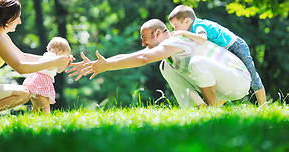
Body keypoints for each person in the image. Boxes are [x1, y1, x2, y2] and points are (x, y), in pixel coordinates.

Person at [67, 19, 252, 108]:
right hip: (222, 82)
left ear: (157, 33)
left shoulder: (175, 40)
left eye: (145, 37)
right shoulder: (167, 50)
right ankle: (197, 110)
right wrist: (103, 63)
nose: (142, 43)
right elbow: (136, 54)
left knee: (196, 63)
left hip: (238, 80)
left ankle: (212, 110)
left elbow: (143, 59)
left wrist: (106, 66)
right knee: (166, 66)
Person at [168, 5, 266, 106]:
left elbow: (202, 39)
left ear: (186, 21)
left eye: (176, 26)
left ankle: (264, 106)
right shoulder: (192, 29)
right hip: (224, 52)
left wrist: (183, 33)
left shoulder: (198, 25)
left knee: (253, 77)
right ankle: (214, 106)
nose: (176, 30)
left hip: (235, 46)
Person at [23, 37, 72, 114]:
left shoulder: (47, 56)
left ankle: (34, 117)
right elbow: (50, 68)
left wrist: (65, 63)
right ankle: (47, 118)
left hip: (35, 80)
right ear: (59, 52)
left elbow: (58, 70)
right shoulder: (51, 57)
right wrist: (60, 62)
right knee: (45, 105)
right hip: (42, 82)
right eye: (64, 56)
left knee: (36, 105)